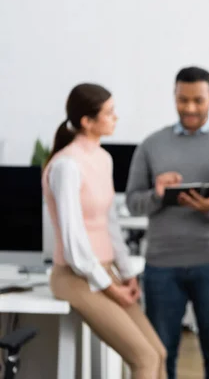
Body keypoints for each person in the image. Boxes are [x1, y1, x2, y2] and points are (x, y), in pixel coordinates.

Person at [125, 67, 209, 379]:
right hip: (161, 265)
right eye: (183, 100)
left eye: (198, 100)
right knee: (160, 353)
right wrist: (158, 194)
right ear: (174, 97)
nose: (190, 108)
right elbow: (132, 202)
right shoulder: (152, 145)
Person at [43, 83, 167, 379]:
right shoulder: (67, 166)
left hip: (105, 272)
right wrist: (111, 288)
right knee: (144, 359)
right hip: (75, 277)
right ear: (87, 121)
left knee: (158, 353)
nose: (116, 117)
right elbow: (75, 245)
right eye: (109, 113)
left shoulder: (103, 158)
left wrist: (127, 274)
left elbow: (110, 223)